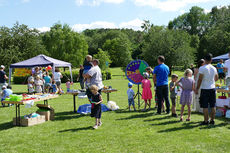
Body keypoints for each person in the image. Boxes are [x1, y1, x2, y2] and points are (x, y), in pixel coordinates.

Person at [195, 53, 218, 125]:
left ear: (205, 60)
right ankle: (212, 120)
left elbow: (200, 79)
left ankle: (206, 121)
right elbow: (216, 78)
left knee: (205, 105)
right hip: (212, 88)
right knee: (213, 105)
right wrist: (211, 81)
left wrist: (197, 88)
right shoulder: (214, 68)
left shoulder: (202, 68)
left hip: (205, 88)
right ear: (211, 60)